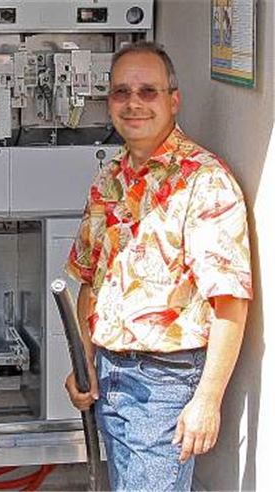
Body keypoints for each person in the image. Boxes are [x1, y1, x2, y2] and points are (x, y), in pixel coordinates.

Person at [65, 41, 252, 491]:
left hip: (166, 383)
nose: (133, 103)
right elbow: (91, 279)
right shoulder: (111, 177)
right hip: (110, 374)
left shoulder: (204, 180)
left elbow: (230, 301)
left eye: (148, 91)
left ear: (174, 100)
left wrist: (208, 400)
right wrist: (84, 360)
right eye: (121, 92)